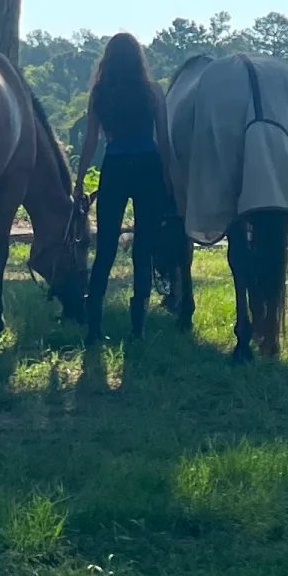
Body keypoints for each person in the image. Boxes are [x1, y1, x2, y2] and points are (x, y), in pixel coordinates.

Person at [75, 33, 178, 346]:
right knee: (143, 248)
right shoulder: (152, 92)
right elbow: (164, 141)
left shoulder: (100, 94)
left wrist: (78, 180)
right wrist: (171, 179)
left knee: (105, 247)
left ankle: (93, 326)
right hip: (148, 167)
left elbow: (91, 142)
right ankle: (138, 327)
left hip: (116, 167)